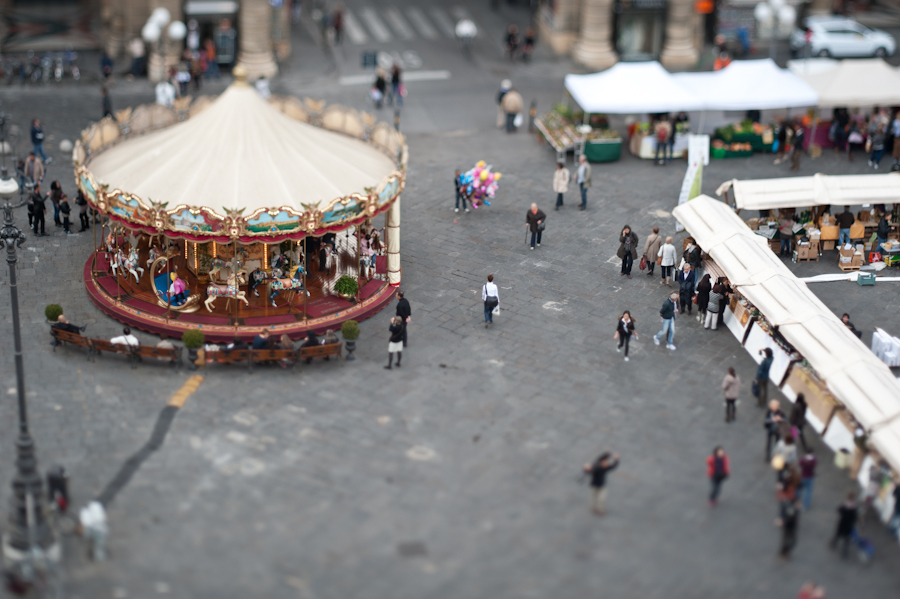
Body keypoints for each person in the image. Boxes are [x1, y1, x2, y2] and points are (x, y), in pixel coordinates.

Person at [831, 493, 858, 559]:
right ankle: (844, 553)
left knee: (837, 535)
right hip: (849, 526)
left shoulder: (845, 506)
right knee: (846, 540)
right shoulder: (854, 508)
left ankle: (833, 544)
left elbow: (838, 510)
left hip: (842, 524)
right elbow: (855, 517)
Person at [778, 495, 801, 561]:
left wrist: (797, 517)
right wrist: (781, 519)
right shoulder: (785, 503)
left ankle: (784, 551)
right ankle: (783, 552)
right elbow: (782, 513)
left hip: (792, 524)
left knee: (793, 541)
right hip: (787, 525)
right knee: (786, 539)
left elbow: (796, 512)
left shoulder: (795, 501)